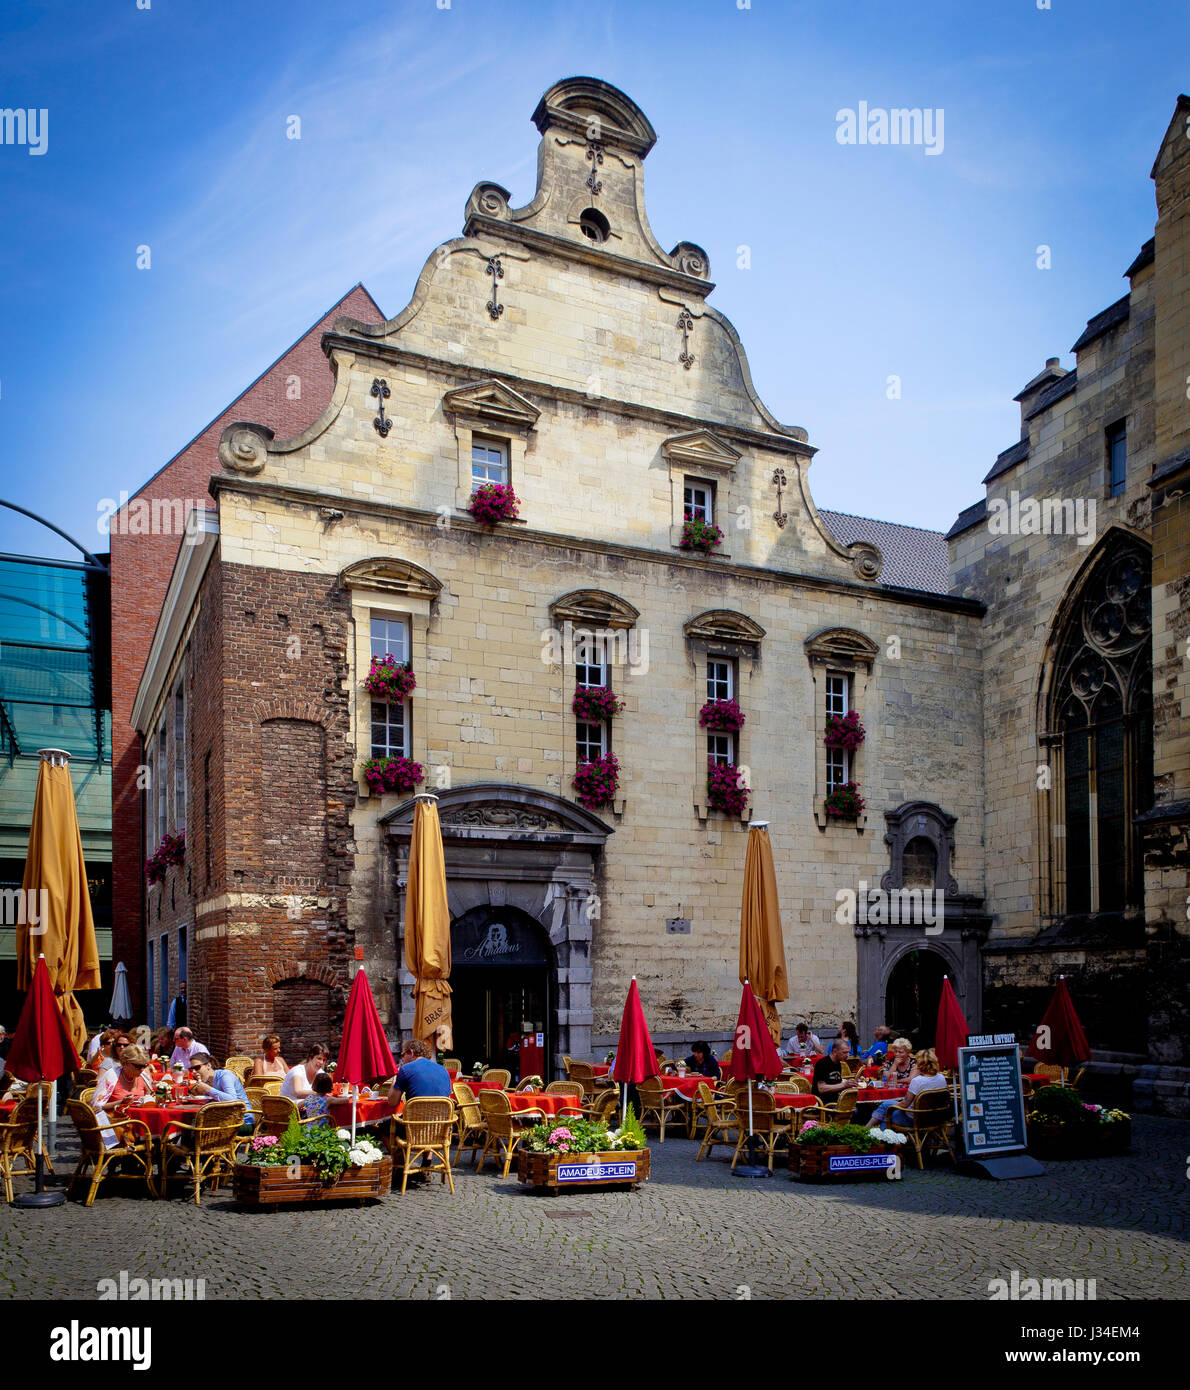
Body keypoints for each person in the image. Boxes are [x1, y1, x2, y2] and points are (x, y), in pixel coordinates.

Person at [92, 1043, 153, 1149]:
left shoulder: (142, 1076)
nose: (142, 1069)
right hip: (117, 1126)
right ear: (125, 1063)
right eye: (138, 1066)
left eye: (145, 1065)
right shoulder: (112, 1076)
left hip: (139, 1122)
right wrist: (120, 1102)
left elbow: (151, 1095)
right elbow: (96, 1106)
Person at [868, 1048, 948, 1129]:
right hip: (936, 1117)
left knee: (887, 1108)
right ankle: (876, 1133)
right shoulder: (941, 1077)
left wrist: (892, 1106)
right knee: (887, 1106)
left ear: (920, 1064)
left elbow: (904, 1104)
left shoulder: (917, 1081)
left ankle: (876, 1134)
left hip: (915, 1119)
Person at [189, 1052, 255, 1132]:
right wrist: (195, 1095)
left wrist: (208, 1089)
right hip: (225, 1119)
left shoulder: (224, 1076)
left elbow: (232, 1100)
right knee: (190, 1123)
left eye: (197, 1068)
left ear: (208, 1065)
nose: (193, 1072)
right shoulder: (207, 1081)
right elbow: (210, 1102)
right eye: (191, 1069)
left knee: (196, 1130)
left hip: (243, 1122)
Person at [386, 1038, 453, 1103]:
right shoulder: (443, 1070)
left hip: (416, 1114)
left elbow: (392, 1102)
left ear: (411, 1052)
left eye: (403, 1055)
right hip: (443, 1114)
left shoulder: (405, 1069)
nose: (402, 1059)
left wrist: (396, 1076)